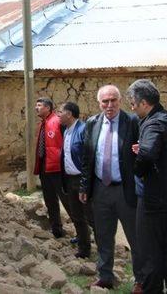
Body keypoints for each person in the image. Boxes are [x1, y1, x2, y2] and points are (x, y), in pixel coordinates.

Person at [79, 85, 145, 292]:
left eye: (113, 100)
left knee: (135, 237)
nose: (109, 105)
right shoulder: (92, 123)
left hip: (125, 189)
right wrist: (84, 186)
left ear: (120, 101)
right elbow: (88, 158)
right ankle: (105, 276)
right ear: (99, 103)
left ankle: (140, 280)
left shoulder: (133, 122)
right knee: (104, 236)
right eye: (105, 101)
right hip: (100, 189)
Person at [127, 79, 167, 294]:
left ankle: (152, 289)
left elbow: (149, 154)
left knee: (150, 251)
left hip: (154, 199)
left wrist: (138, 167)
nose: (132, 109)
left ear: (143, 103)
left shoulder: (153, 123)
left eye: (133, 104)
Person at [57, 101, 92, 258]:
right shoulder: (66, 130)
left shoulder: (83, 129)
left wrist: (86, 181)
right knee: (77, 216)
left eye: (60, 112)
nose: (58, 115)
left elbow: (88, 158)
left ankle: (105, 248)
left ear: (69, 114)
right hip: (69, 179)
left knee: (91, 216)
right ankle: (84, 249)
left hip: (81, 179)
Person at [33, 97, 71, 238]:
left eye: (39, 105)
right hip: (45, 167)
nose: (36, 108)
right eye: (36, 105)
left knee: (66, 200)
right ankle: (57, 230)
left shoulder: (58, 121)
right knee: (50, 200)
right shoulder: (43, 123)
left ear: (48, 108)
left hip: (57, 169)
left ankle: (83, 232)